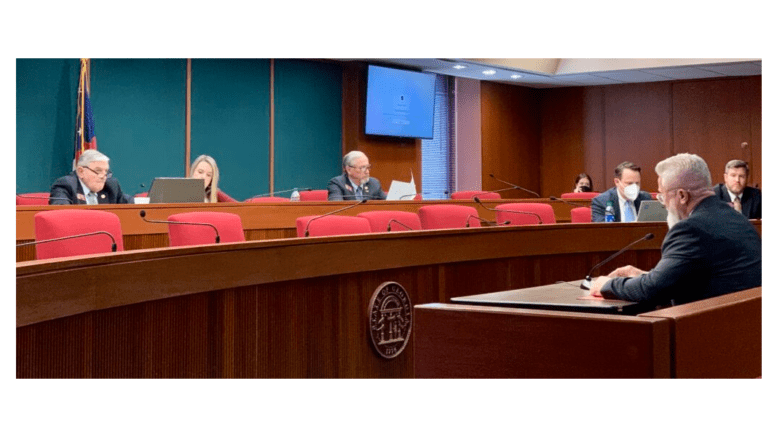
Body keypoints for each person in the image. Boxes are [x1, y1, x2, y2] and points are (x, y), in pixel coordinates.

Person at [589, 153, 761, 306]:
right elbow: (702, 276)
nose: (663, 205)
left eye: (663, 197)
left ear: (682, 196)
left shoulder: (690, 229)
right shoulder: (736, 218)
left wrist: (606, 285)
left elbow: (653, 290)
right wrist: (646, 276)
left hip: (709, 329)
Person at [49, 149, 132, 205]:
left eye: (106, 172)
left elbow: (131, 204)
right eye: (98, 171)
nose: (103, 176)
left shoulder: (111, 186)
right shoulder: (66, 185)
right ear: (81, 171)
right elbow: (61, 213)